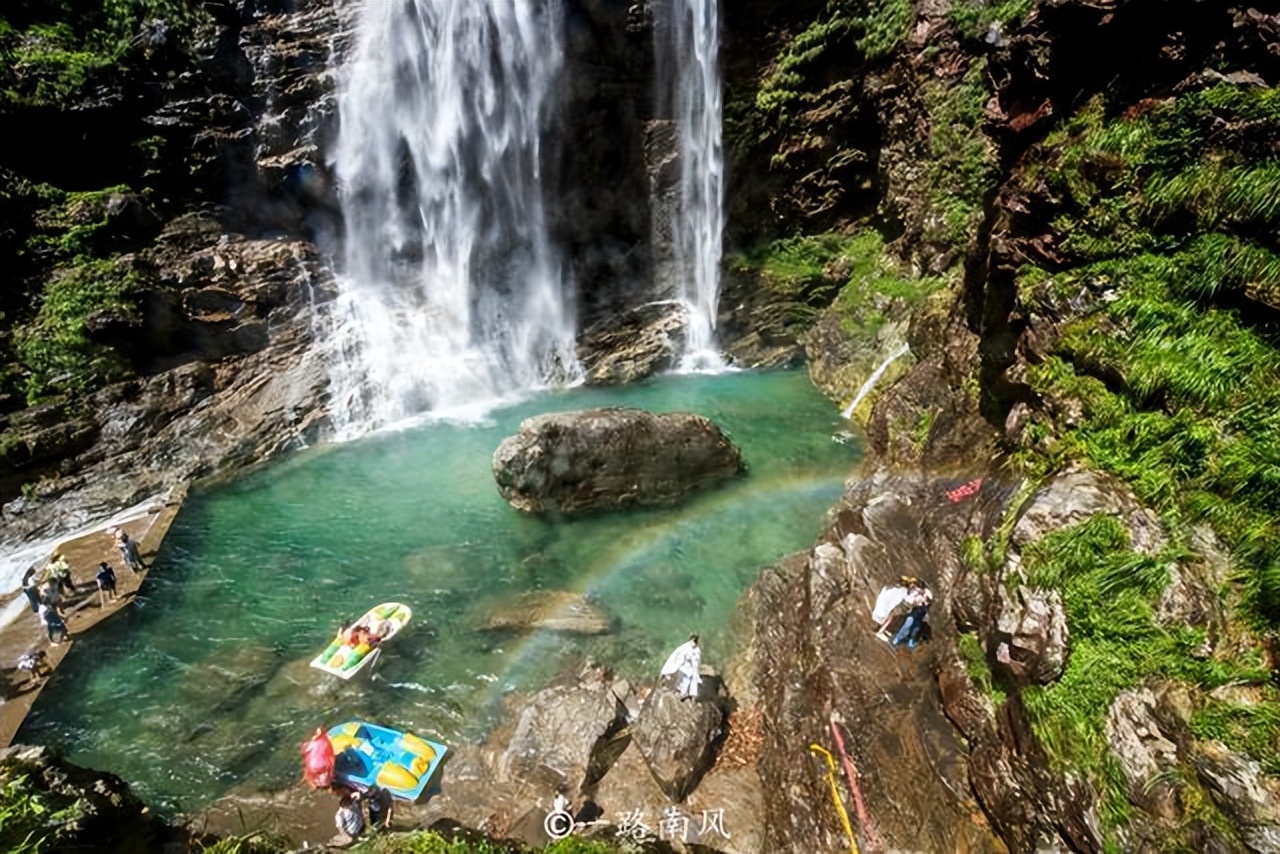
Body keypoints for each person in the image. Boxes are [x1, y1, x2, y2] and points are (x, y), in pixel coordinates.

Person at [659, 633, 702, 700]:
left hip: (689, 669)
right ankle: (681, 692)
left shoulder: (697, 650)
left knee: (690, 679)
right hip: (684, 667)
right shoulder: (685, 648)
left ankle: (686, 693)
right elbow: (677, 657)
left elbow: (696, 663)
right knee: (683, 679)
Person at [892, 582, 933, 650]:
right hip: (912, 616)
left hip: (919, 618)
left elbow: (926, 613)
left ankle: (911, 641)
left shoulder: (926, 605)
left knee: (916, 629)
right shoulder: (919, 598)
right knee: (906, 626)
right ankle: (897, 639)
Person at [871, 576, 913, 642]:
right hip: (883, 611)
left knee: (893, 610)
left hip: (878, 610)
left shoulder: (890, 588)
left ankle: (882, 629)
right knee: (893, 615)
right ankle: (880, 631)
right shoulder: (904, 591)